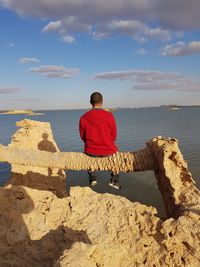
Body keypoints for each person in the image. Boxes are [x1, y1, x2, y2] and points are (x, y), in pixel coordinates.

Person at [79, 92, 121, 189]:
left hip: (90, 151)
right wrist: (108, 143)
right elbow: (114, 135)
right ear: (102, 102)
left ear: (90, 102)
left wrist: (90, 144)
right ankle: (114, 180)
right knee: (118, 158)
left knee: (88, 158)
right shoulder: (109, 116)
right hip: (108, 150)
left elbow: (83, 136)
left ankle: (93, 177)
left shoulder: (83, 118)